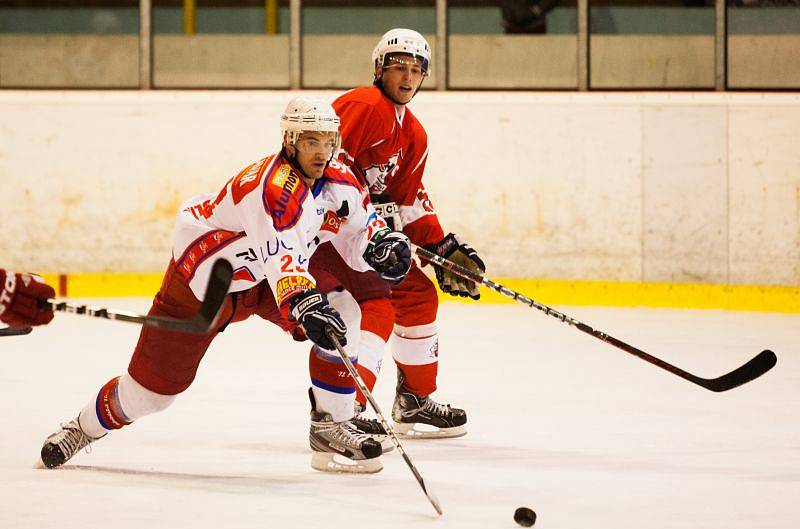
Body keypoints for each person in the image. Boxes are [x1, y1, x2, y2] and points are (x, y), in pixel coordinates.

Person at [38, 97, 412, 474]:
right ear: (290, 141)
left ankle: (331, 426)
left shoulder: (339, 179)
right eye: (311, 142)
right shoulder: (275, 190)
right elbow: (283, 256)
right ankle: (81, 428)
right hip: (205, 279)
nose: (321, 152)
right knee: (149, 395)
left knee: (343, 311)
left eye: (328, 141)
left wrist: (379, 246)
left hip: (261, 277)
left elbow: (361, 228)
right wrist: (302, 300)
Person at [308, 29, 486, 440]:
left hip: (369, 240)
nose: (407, 77)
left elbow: (408, 200)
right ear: (379, 70)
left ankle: (413, 402)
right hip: (327, 234)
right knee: (376, 304)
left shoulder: (414, 134)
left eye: (415, 70)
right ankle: (345, 407)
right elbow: (327, 169)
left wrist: (440, 247)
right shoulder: (362, 105)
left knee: (419, 298)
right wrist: (366, 226)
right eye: (398, 68)